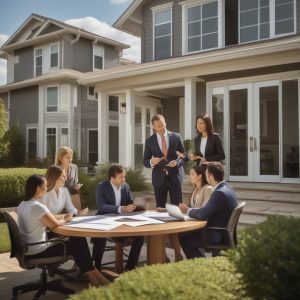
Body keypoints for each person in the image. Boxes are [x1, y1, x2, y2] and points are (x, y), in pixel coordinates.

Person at [17, 174, 110, 286]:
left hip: (28, 248)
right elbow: (54, 224)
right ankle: (97, 279)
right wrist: (65, 219)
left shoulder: (23, 204)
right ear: (38, 188)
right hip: (39, 250)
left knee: (78, 242)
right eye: (45, 187)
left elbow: (49, 217)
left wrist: (65, 216)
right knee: (79, 243)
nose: (46, 189)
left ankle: (95, 278)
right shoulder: (37, 207)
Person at [178, 162, 238, 259]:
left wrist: (188, 210)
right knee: (187, 235)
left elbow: (202, 213)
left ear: (211, 177)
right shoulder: (227, 187)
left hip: (216, 234)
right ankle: (201, 262)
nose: (206, 177)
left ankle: (199, 265)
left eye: (206, 175)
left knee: (184, 239)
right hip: (222, 231)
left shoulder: (219, 193)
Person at [92, 164, 144, 271]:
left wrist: (135, 206)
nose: (123, 179)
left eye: (124, 177)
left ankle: (130, 268)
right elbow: (102, 206)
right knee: (100, 237)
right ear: (112, 177)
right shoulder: (101, 187)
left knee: (140, 236)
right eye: (121, 177)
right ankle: (95, 268)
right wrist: (122, 209)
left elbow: (129, 202)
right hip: (104, 222)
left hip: (122, 223)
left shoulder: (126, 186)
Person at [143, 114, 186, 208]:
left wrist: (177, 162)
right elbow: (145, 161)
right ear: (154, 127)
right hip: (159, 179)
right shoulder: (149, 141)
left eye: (162, 124)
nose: (162, 127)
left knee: (177, 208)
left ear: (165, 123)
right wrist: (151, 162)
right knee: (160, 209)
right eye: (158, 126)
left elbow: (184, 156)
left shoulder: (176, 137)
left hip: (175, 178)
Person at [55, 146, 82, 210]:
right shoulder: (55, 169)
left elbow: (75, 182)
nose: (70, 159)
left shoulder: (74, 167)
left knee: (77, 215)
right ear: (60, 158)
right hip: (59, 198)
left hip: (73, 196)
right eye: (67, 157)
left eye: (71, 157)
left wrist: (77, 187)